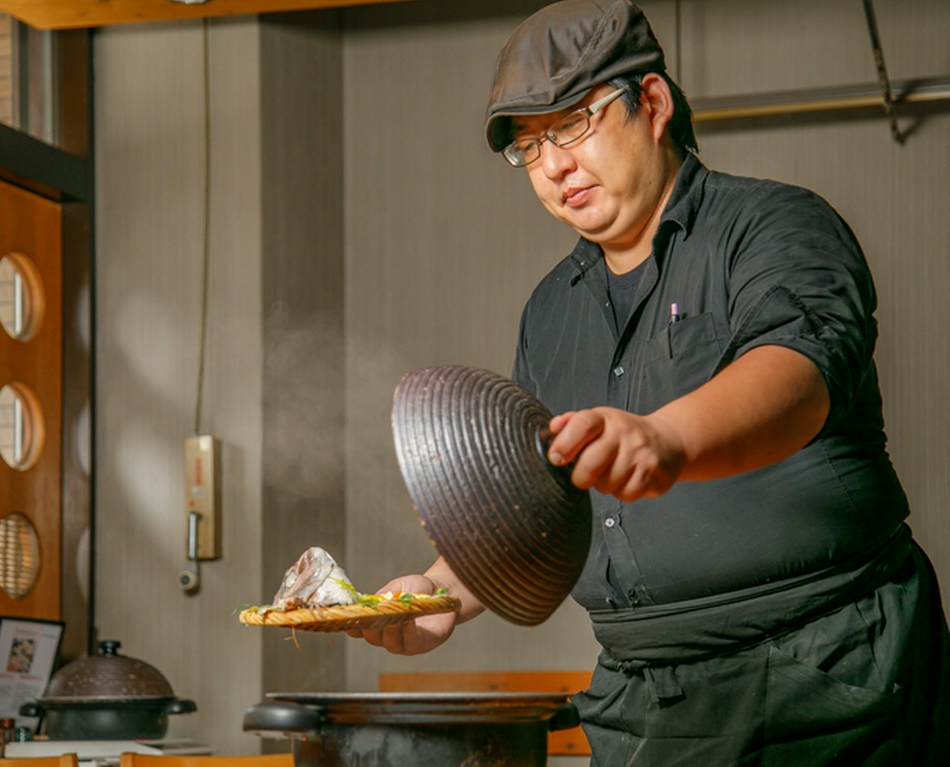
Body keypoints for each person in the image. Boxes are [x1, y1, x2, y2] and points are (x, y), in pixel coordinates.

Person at [349, 1, 950, 764]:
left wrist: (668, 436)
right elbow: (536, 502)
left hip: (827, 674)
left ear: (654, 105)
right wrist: (439, 593)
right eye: (529, 148)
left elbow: (798, 371)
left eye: (572, 125)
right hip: (643, 704)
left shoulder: (776, 227)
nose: (554, 165)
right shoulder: (550, 311)